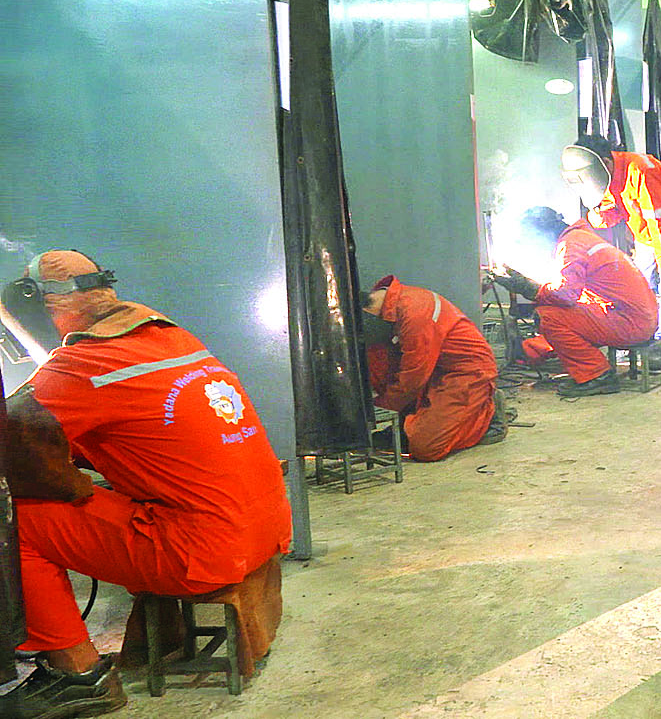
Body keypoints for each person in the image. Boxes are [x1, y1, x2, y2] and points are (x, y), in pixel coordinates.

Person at [0, 251, 291, 718]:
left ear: (38, 307)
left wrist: (68, 480)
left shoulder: (86, 362)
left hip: (203, 549)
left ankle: (79, 675)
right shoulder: (171, 336)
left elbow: (10, 439)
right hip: (263, 528)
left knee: (14, 521)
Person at [561, 134, 661, 349]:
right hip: (646, 236)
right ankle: (644, 333)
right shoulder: (606, 175)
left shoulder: (641, 171)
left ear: (606, 162)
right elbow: (617, 212)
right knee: (642, 286)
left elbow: (656, 220)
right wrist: (599, 215)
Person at [494, 207, 657, 397]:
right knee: (563, 311)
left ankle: (597, 375)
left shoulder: (570, 246)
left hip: (630, 323)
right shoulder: (581, 238)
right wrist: (530, 285)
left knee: (549, 316)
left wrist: (526, 288)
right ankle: (535, 351)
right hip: (637, 318)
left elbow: (565, 295)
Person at [361, 275, 502, 462]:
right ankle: (410, 423)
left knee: (426, 447)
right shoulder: (388, 303)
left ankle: (487, 411)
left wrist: (378, 411)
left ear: (365, 313)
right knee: (375, 357)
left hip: (466, 372)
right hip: (435, 366)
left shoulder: (415, 314)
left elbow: (413, 378)